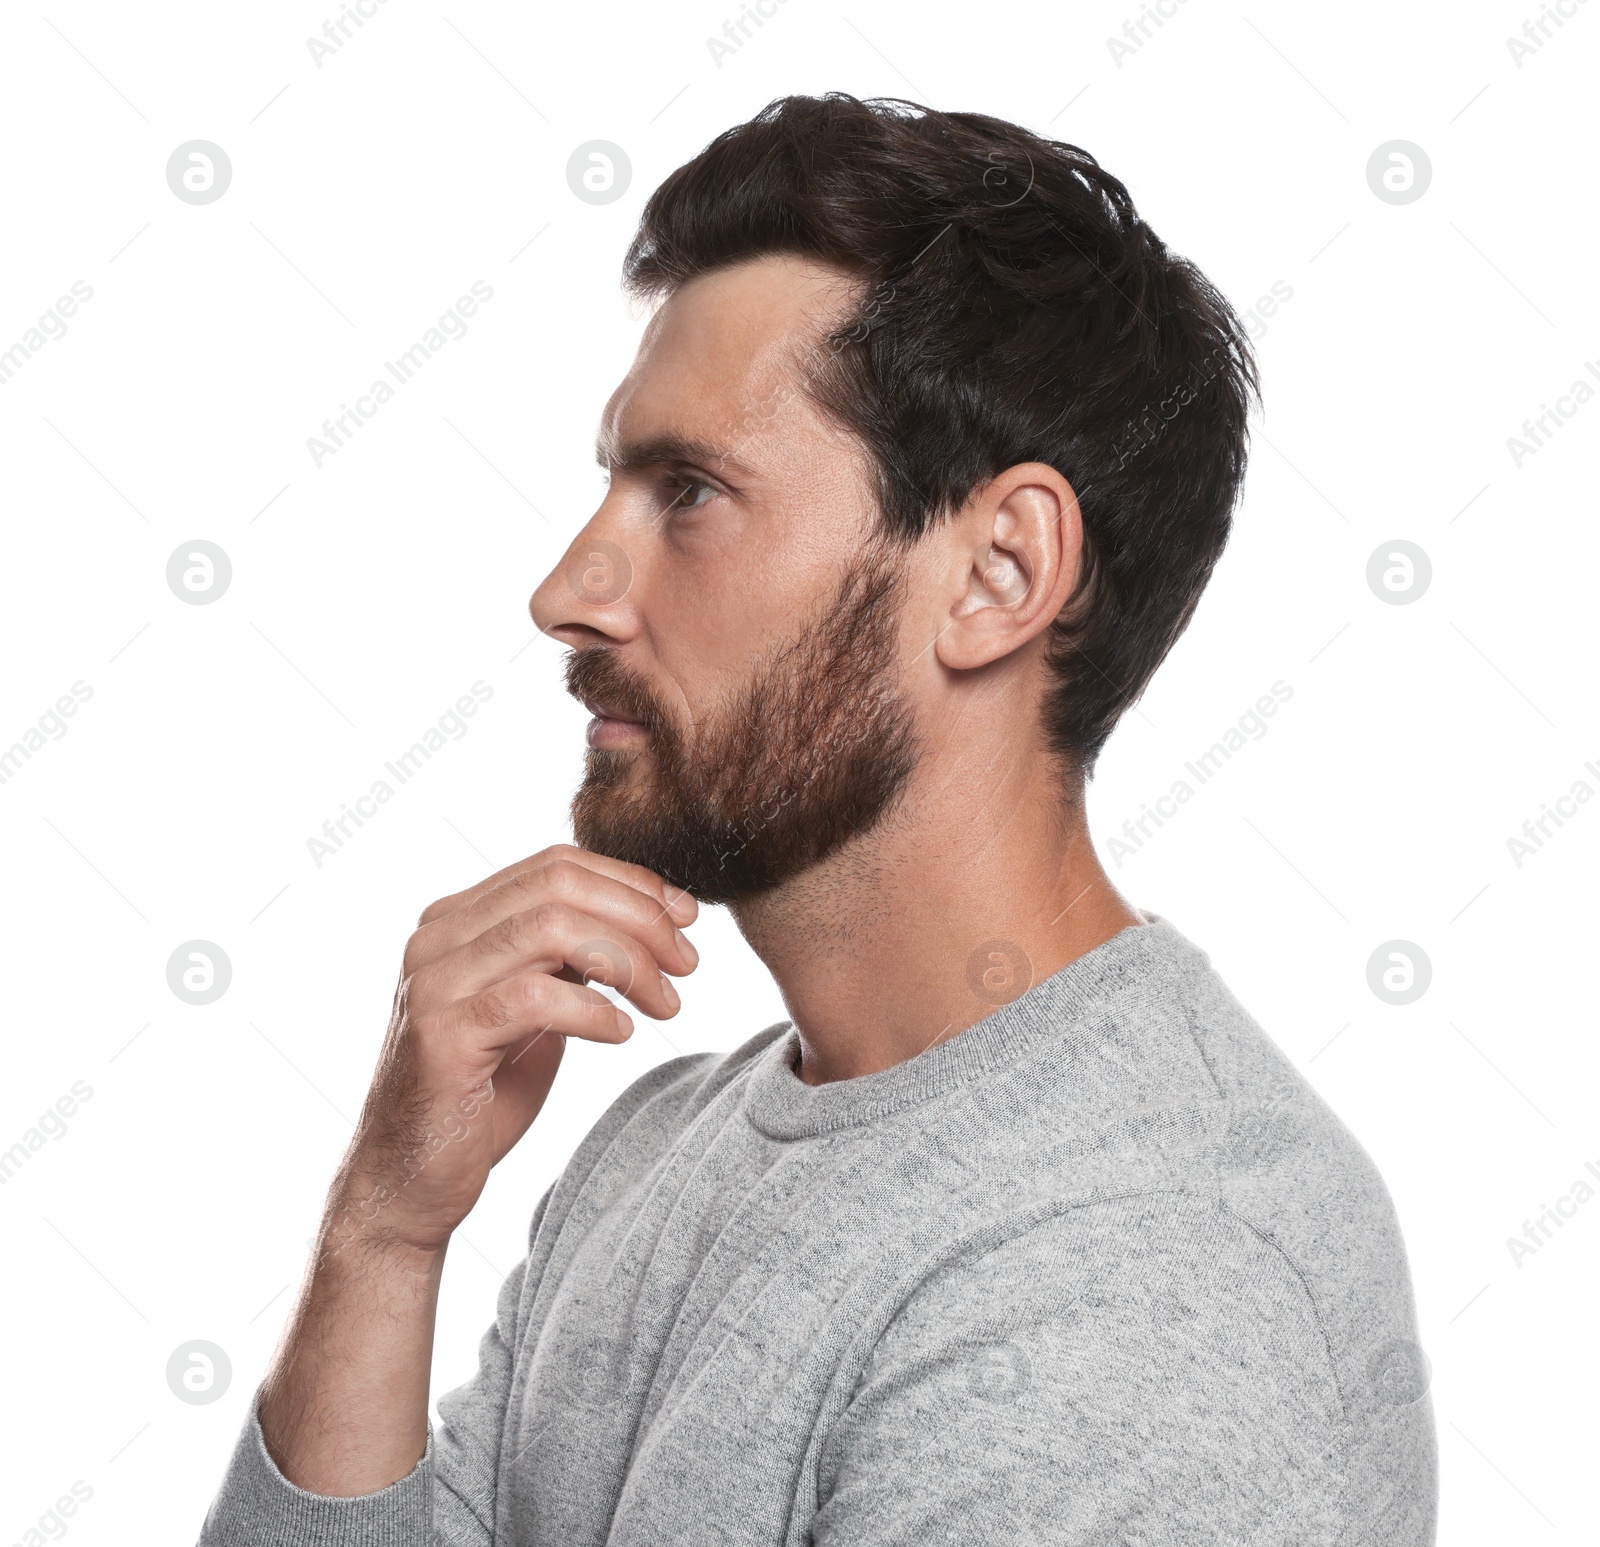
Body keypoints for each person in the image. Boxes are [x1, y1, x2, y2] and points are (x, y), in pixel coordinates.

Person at [199, 93, 1437, 1544]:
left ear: (994, 575)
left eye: (693, 491)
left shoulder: (1139, 1268)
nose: (570, 593)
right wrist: (385, 1235)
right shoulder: (667, 1146)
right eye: (617, 483)